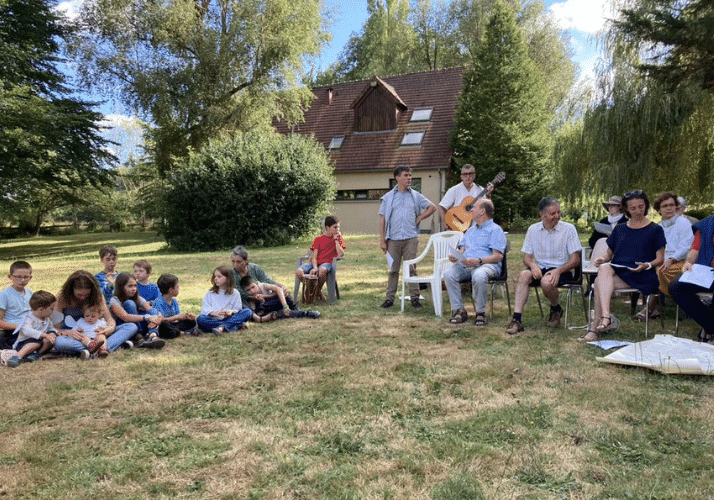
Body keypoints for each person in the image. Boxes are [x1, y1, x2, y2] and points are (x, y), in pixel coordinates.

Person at [581, 190, 666, 341]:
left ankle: (595, 328)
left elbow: (660, 259)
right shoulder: (620, 229)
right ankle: (606, 317)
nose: (638, 211)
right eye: (633, 208)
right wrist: (602, 258)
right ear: (626, 209)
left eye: (640, 206)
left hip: (642, 274)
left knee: (599, 283)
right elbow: (609, 254)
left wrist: (646, 265)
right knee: (604, 268)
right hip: (620, 272)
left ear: (646, 206)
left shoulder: (656, 229)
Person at [506, 198, 582, 335]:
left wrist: (558, 271)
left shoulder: (569, 229)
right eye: (553, 213)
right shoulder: (533, 229)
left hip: (562, 269)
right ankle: (516, 319)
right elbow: (527, 258)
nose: (557, 216)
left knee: (546, 282)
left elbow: (575, 260)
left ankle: (555, 308)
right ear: (542, 215)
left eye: (559, 212)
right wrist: (532, 265)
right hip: (540, 268)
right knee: (524, 275)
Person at [379, 166, 436, 309]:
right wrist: (382, 240)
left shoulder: (415, 195)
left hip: (410, 238)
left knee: (411, 269)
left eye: (410, 175)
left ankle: (415, 299)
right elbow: (382, 218)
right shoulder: (388, 197)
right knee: (393, 270)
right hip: (393, 239)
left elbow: (432, 207)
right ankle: (389, 299)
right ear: (397, 178)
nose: (409, 178)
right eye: (406, 175)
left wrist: (420, 218)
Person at [443, 199, 506, 326]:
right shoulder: (470, 230)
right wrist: (456, 256)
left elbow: (498, 256)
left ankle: (480, 313)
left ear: (482, 211)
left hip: (487, 265)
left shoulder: (495, 230)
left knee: (479, 275)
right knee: (449, 274)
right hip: (467, 264)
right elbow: (462, 249)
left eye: (474, 207)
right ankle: (460, 310)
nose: (471, 210)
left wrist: (479, 260)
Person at [53, 270, 138, 357]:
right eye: (79, 295)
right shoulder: (61, 299)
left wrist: (109, 329)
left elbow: (110, 319)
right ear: (71, 290)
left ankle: (94, 350)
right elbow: (56, 329)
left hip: (98, 334)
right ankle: (102, 349)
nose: (82, 298)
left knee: (131, 326)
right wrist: (68, 332)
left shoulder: (97, 295)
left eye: (86, 295)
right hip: (78, 338)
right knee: (59, 342)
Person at [637, 192, 693, 319]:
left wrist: (671, 259)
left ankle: (649, 308)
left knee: (659, 271)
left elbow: (686, 246)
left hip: (682, 262)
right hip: (663, 260)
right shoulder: (659, 227)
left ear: (676, 207)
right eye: (665, 206)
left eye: (672, 205)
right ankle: (655, 307)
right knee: (646, 269)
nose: (669, 208)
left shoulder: (683, 223)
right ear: (658, 209)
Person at [669, 214, 714, 343]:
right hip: (707, 269)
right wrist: (688, 262)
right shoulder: (707, 223)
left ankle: (708, 331)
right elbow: (694, 250)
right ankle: (710, 326)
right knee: (677, 287)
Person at [295, 216, 346, 300]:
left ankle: (314, 292)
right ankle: (317, 292)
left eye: (338, 227)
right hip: (314, 263)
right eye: (335, 227)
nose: (337, 229)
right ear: (327, 228)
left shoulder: (339, 239)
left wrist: (336, 240)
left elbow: (341, 254)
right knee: (299, 272)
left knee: (322, 270)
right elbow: (314, 257)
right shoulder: (319, 239)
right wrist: (315, 268)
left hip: (327, 264)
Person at [109, 272, 165, 348]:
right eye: (130, 286)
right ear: (121, 287)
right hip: (125, 327)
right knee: (129, 303)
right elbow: (125, 317)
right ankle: (138, 337)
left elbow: (150, 309)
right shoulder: (114, 300)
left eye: (135, 286)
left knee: (153, 311)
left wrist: (158, 316)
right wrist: (148, 317)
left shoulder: (138, 298)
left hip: (139, 326)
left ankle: (153, 336)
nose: (134, 289)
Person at [6, 290, 57, 367]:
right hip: (24, 344)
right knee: (35, 343)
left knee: (50, 341)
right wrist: (44, 335)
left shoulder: (46, 318)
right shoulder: (29, 318)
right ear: (41, 309)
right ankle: (17, 356)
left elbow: (51, 327)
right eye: (51, 308)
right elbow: (27, 330)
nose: (53, 311)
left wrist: (52, 333)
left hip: (40, 343)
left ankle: (37, 354)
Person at [197, 266, 252, 335]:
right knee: (200, 319)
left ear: (227, 278)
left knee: (248, 312)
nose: (216, 279)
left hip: (229, 318)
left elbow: (237, 309)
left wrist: (230, 312)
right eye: (215, 276)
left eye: (219, 277)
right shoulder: (210, 293)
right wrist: (213, 313)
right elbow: (205, 309)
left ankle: (222, 328)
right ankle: (233, 327)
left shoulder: (235, 293)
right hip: (214, 319)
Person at [438, 164, 492, 231]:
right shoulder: (454, 190)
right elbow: (442, 206)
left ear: (474, 175)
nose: (468, 176)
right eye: (465, 174)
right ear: (461, 177)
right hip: (456, 227)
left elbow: (488, 208)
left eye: (470, 174)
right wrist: (444, 222)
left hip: (476, 229)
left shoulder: (480, 190)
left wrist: (488, 194)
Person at [240, 276, 320, 320]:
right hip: (272, 309)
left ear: (256, 283)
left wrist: (285, 306)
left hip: (280, 302)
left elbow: (278, 289)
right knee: (268, 309)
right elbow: (254, 311)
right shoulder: (252, 297)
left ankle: (293, 309)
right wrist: (260, 301)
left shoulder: (263, 286)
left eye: (253, 287)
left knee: (285, 295)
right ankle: (306, 314)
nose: (252, 291)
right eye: (248, 290)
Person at [152, 274, 199, 338]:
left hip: (174, 325)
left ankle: (176, 331)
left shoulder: (174, 301)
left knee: (191, 322)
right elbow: (161, 320)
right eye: (177, 287)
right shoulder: (158, 302)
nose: (179, 288)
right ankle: (181, 332)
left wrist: (186, 317)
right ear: (171, 290)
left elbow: (178, 317)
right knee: (164, 325)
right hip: (165, 325)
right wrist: (176, 317)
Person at [0, 261, 33, 349]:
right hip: (13, 331)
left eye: (26, 277)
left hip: (30, 328)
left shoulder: (30, 293)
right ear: (10, 277)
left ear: (31, 277)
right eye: (18, 277)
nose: (22, 280)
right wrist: (20, 326)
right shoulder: (4, 295)